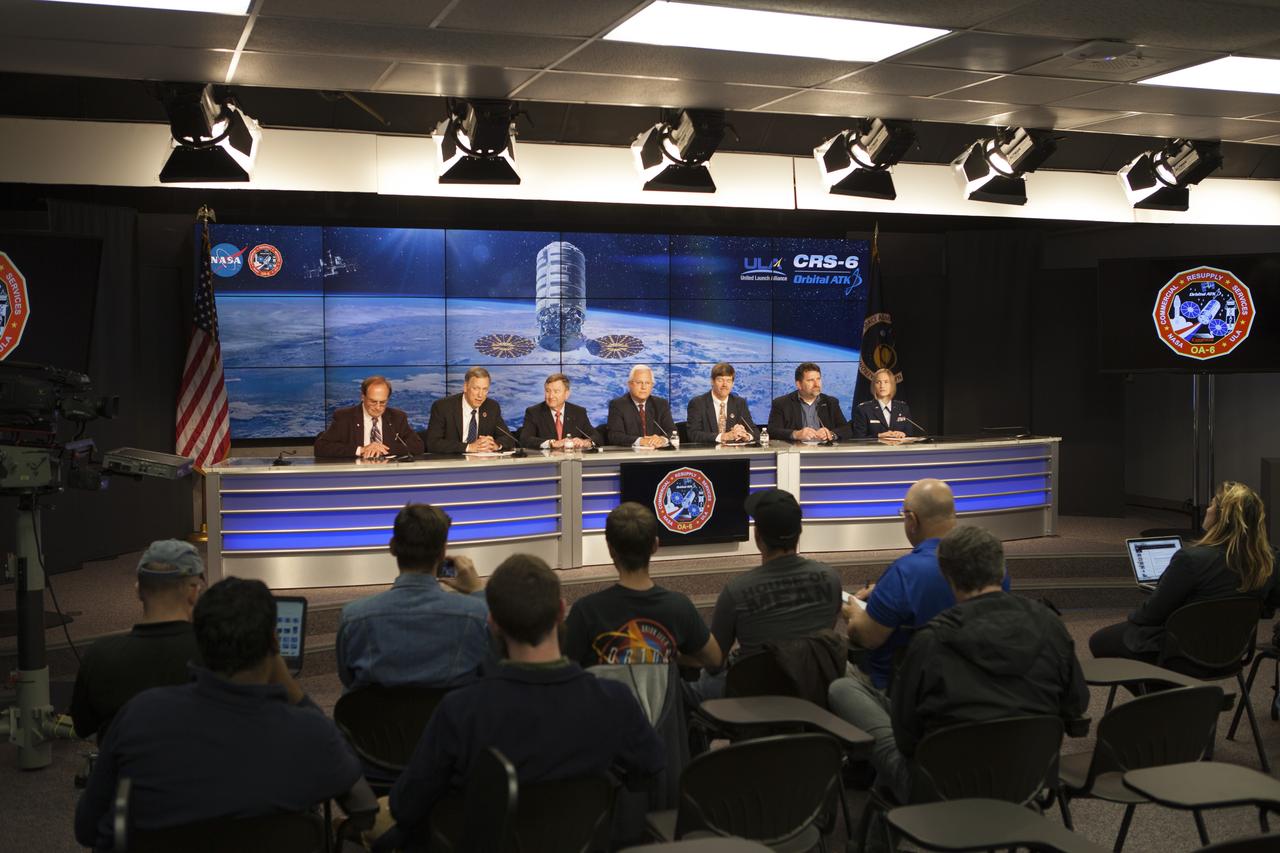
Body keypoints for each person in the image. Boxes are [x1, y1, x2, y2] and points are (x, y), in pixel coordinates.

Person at [380, 554, 665, 852]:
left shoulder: (461, 711)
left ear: (493, 625)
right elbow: (650, 768)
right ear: (561, 611)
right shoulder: (614, 701)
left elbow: (406, 804)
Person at [75, 578, 374, 852]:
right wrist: (293, 690)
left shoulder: (139, 715)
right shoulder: (310, 732)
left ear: (199, 641)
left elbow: (88, 829)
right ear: (274, 641)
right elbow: (363, 808)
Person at [829, 525, 1089, 803]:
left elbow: (906, 738)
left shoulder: (931, 640)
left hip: (940, 788)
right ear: (1002, 571)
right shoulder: (1051, 626)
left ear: (948, 577)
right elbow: (1076, 705)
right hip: (1028, 781)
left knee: (843, 689)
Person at [842, 478, 1011, 692]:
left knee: (837, 680)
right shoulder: (995, 569)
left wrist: (854, 612)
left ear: (912, 520)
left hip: (900, 692)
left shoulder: (904, 573)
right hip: (977, 686)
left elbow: (868, 637)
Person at [1089, 480, 1280, 666]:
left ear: (1223, 518)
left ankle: (1164, 695)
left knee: (1099, 641)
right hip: (1232, 653)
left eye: (1212, 504)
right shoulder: (1270, 560)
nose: (1207, 509)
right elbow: (1267, 609)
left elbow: (1149, 615)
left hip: (1182, 653)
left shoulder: (1190, 559)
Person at [698, 489, 842, 698]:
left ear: (758, 536)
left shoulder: (736, 591)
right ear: (799, 531)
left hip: (754, 697)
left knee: (692, 684)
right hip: (814, 689)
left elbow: (715, 662)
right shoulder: (831, 578)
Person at [336, 503, 489, 692]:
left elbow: (347, 678)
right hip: (450, 720)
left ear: (392, 547)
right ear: (442, 553)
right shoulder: (476, 614)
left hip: (375, 720)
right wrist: (477, 590)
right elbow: (491, 668)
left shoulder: (353, 617)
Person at [68, 539, 205, 743]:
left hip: (125, 772)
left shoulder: (99, 656)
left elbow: (83, 726)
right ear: (193, 591)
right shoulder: (215, 656)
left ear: (138, 590)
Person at [564, 502, 722, 670]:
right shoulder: (679, 607)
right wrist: (672, 658)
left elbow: (563, 670)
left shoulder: (586, 611)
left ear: (610, 549)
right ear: (655, 545)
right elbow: (715, 659)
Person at [315, 375, 424, 458]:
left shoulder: (397, 417)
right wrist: (361, 450)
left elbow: (418, 446)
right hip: (354, 475)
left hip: (389, 473)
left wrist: (382, 449)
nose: (377, 407)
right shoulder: (345, 417)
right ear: (363, 397)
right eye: (373, 401)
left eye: (382, 402)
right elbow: (321, 447)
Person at [424, 366, 515, 454]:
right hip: (451, 464)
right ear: (465, 387)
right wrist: (469, 447)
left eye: (485, 389)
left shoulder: (492, 407)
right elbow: (433, 443)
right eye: (476, 388)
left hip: (482, 464)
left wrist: (495, 445)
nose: (480, 395)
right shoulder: (443, 407)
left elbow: (508, 438)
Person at [766, 362, 852, 442]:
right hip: (795, 454)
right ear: (799, 384)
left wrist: (831, 434)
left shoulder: (831, 402)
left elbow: (846, 429)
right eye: (810, 380)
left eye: (818, 379)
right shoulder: (782, 403)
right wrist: (796, 434)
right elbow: (772, 431)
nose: (816, 384)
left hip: (825, 453)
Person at [520, 372, 601, 450]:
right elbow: (525, 439)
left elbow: (596, 437)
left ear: (567, 394)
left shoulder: (578, 412)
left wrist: (586, 442)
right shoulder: (534, 412)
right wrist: (552, 443)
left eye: (556, 391)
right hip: (546, 462)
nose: (551, 396)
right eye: (547, 391)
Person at [685, 362, 757, 445]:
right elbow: (693, 435)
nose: (725, 385)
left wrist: (746, 436)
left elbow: (754, 431)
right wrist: (723, 436)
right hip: (707, 454)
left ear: (732, 383)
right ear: (712, 381)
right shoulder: (698, 403)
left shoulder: (739, 403)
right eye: (720, 380)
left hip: (734, 455)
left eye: (728, 381)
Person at [607, 364, 675, 448]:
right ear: (630, 384)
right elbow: (615, 436)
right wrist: (641, 441)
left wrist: (662, 439)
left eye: (647, 383)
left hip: (658, 454)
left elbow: (673, 432)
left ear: (652, 385)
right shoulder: (618, 405)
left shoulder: (661, 404)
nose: (643, 387)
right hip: (630, 456)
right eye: (639, 382)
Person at [851, 368, 922, 440]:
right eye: (878, 382)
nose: (882, 386)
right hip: (875, 449)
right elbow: (858, 438)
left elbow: (910, 435)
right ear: (873, 386)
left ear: (892, 385)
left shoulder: (903, 408)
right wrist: (879, 436)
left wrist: (904, 435)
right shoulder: (864, 409)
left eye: (886, 382)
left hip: (899, 449)